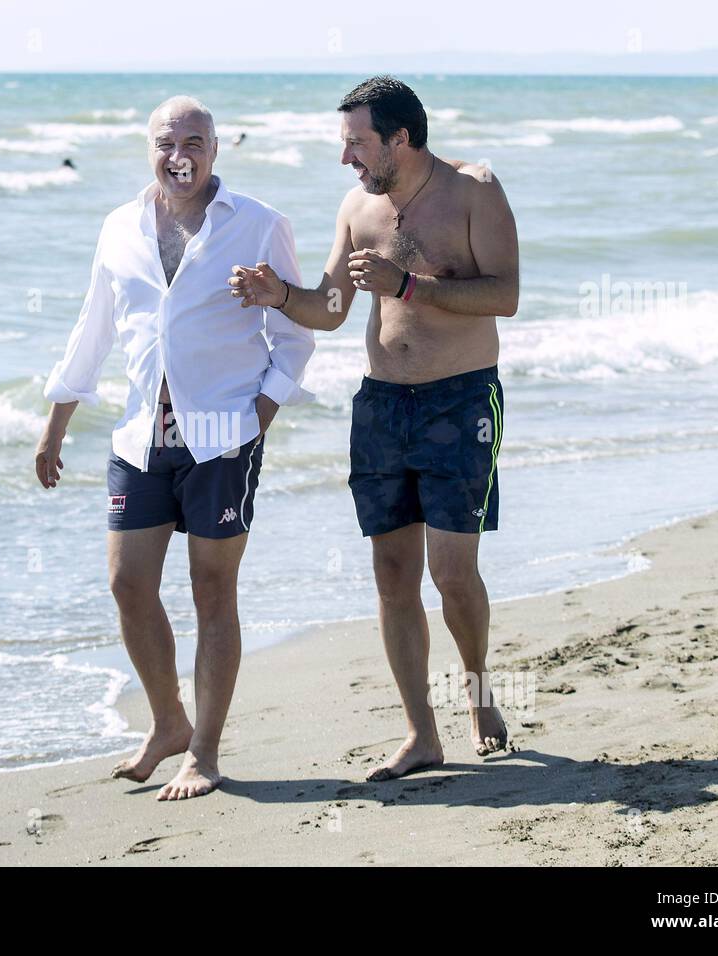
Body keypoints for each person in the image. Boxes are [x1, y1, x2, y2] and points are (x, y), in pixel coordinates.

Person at [230, 76, 519, 780]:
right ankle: (422, 733)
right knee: (394, 575)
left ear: (400, 137)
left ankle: (478, 688)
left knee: (453, 573)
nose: (345, 159)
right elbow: (331, 307)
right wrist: (282, 298)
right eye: (343, 144)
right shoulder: (357, 207)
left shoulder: (474, 190)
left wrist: (409, 286)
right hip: (383, 406)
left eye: (356, 143)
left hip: (461, 402)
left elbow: (504, 294)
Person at [35, 95, 315, 800]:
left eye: (193, 140)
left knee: (212, 591)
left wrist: (260, 414)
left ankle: (207, 753)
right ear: (149, 150)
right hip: (140, 436)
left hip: (224, 436)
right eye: (166, 142)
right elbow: (93, 328)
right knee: (129, 583)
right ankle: (168, 723)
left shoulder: (257, 225)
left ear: (216, 149)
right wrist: (56, 423)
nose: (178, 154)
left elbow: (296, 333)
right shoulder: (119, 228)